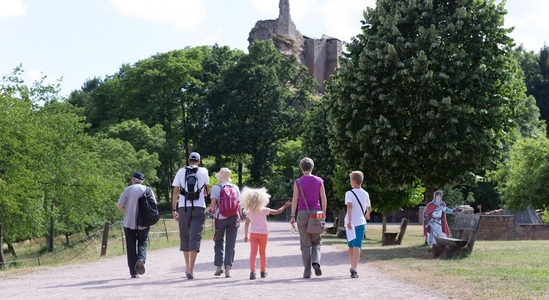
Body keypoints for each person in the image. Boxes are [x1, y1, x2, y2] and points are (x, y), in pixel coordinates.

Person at [171, 152, 210, 279]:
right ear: (199, 161)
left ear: (188, 161)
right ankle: (192, 270)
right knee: (195, 237)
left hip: (183, 207)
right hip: (199, 208)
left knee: (185, 237)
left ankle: (187, 267)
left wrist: (173, 209)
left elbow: (176, 191)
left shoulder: (181, 171)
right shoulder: (204, 171)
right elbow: (205, 192)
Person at [241, 187, 291, 280]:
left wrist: (245, 235)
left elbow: (247, 224)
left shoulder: (249, 211)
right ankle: (263, 271)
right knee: (262, 252)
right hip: (263, 233)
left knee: (253, 253)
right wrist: (284, 206)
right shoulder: (264, 210)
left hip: (253, 234)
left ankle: (252, 272)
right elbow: (277, 212)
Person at [289, 157, 327, 278]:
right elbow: (323, 199)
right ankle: (316, 262)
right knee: (316, 241)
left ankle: (307, 271)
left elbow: (294, 200)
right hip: (317, 213)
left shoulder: (298, 182)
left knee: (305, 244)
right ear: (312, 167)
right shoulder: (319, 180)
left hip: (302, 213)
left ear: (301, 168)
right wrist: (323, 214)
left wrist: (292, 216)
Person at [117, 172, 156, 279]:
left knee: (131, 246)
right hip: (143, 222)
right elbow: (154, 205)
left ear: (134, 180)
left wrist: (127, 207)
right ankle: (141, 259)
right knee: (142, 243)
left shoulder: (128, 189)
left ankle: (134, 272)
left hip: (129, 222)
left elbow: (120, 206)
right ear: (142, 180)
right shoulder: (148, 190)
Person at [208, 167, 242, 278]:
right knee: (230, 243)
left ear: (220, 177)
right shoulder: (235, 187)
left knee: (218, 241)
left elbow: (213, 206)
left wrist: (210, 210)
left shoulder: (216, 188)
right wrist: (239, 217)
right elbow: (239, 205)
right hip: (233, 218)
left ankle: (219, 266)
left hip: (220, 218)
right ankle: (228, 268)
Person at [344, 171, 371, 278]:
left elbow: (349, 206)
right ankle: (354, 268)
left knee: (351, 245)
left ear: (353, 181)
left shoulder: (349, 193)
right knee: (357, 245)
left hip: (350, 224)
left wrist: (350, 221)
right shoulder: (365, 193)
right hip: (360, 222)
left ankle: (353, 266)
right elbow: (368, 206)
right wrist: (367, 214)